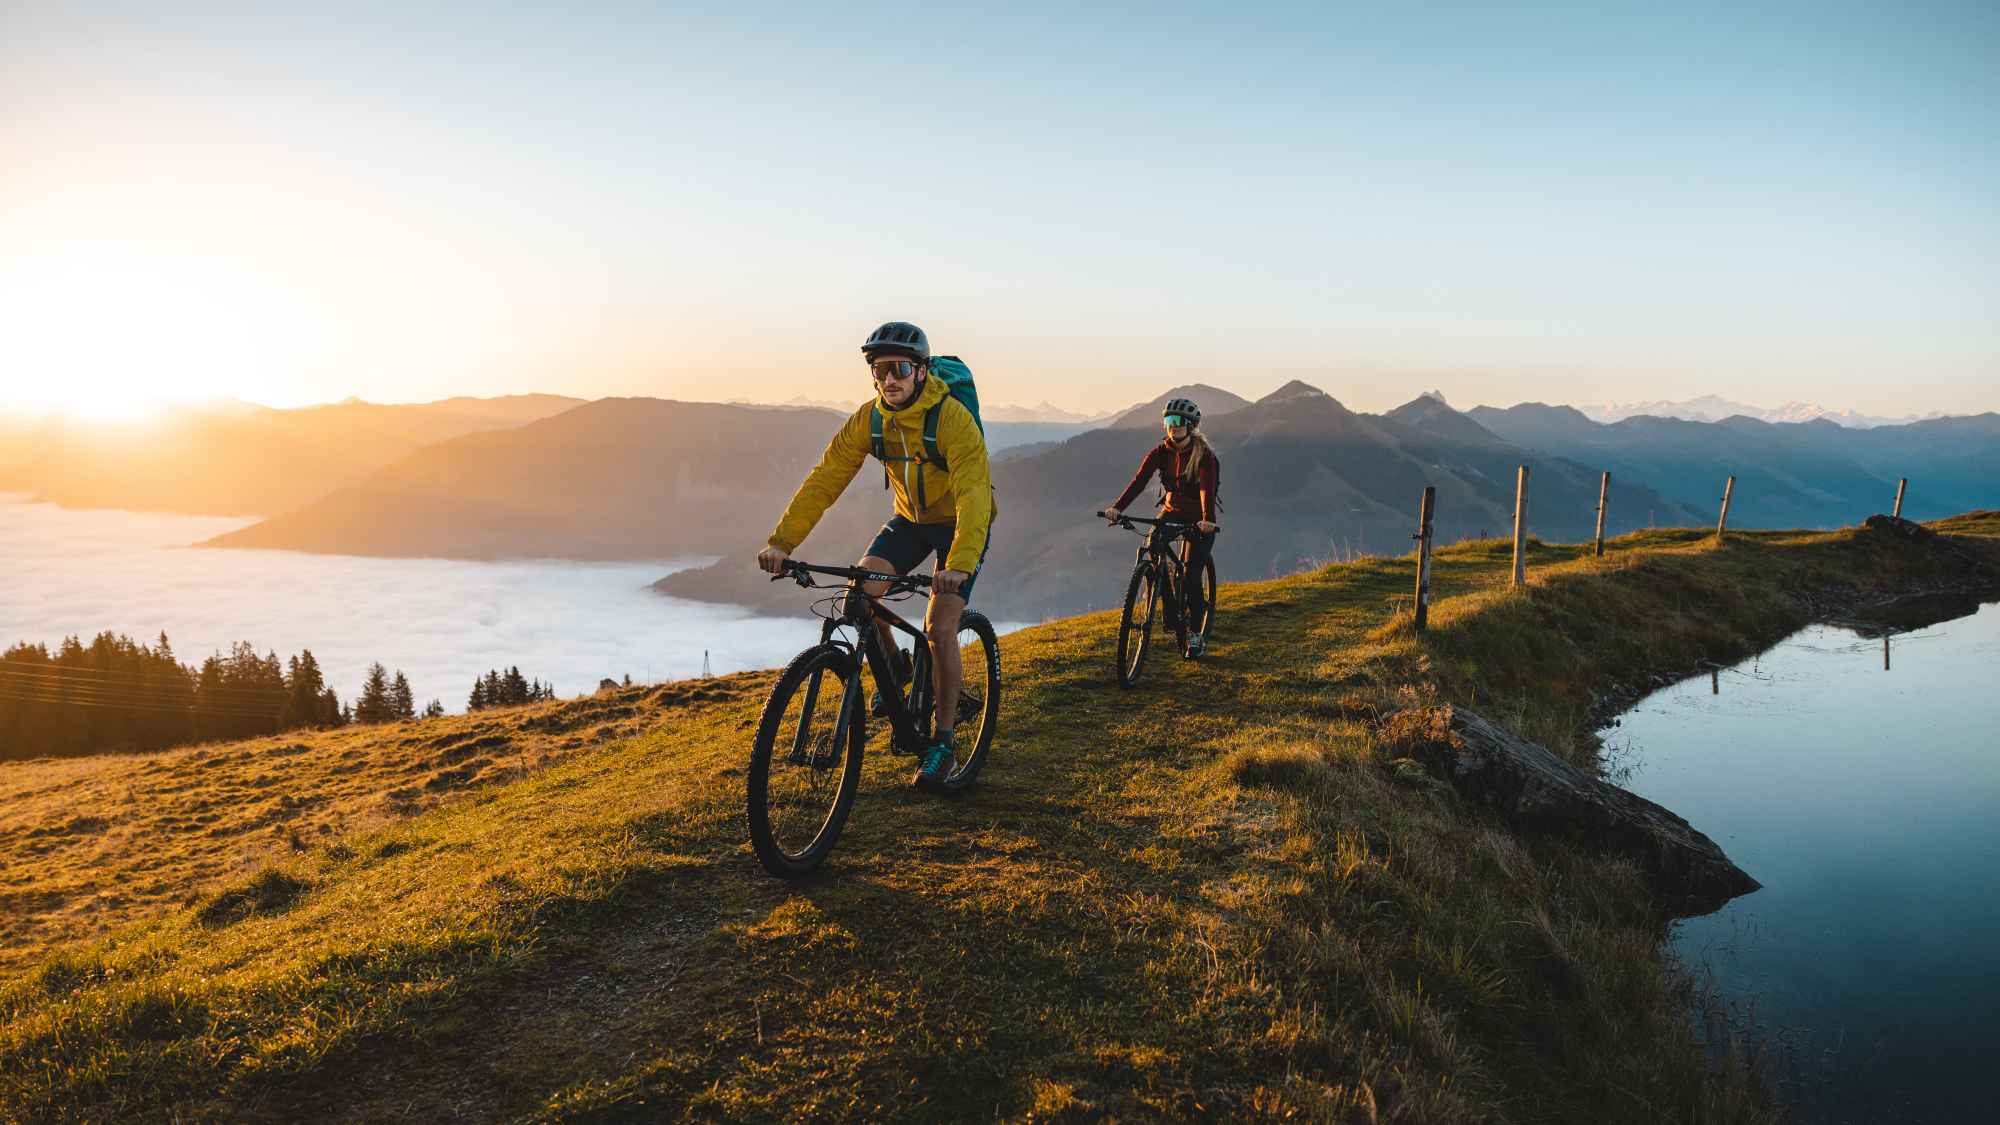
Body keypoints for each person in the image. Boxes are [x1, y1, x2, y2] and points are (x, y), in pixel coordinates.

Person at [757, 322, 994, 792]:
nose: (889, 378)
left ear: (922, 372)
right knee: (858, 598)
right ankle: (897, 667)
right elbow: (825, 480)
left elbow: (972, 493)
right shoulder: (870, 420)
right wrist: (782, 543)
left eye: (900, 368)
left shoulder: (951, 420)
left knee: (940, 625)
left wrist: (959, 563)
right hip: (910, 520)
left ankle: (942, 744)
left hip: (962, 524)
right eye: (879, 369)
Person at [1098, 397, 1220, 656]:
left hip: (1200, 520)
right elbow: (1139, 481)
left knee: (1191, 577)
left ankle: (1197, 635)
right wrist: (1118, 508)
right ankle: (1169, 609)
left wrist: (1208, 519)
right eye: (1168, 421)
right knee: (1153, 547)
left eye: (1178, 421)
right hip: (1170, 512)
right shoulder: (1160, 452)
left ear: (1191, 426)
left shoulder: (1204, 456)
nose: (1172, 426)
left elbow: (1207, 489)